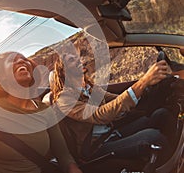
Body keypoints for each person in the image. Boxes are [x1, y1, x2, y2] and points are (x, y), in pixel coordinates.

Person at [47, 52, 178, 171]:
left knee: (160, 115)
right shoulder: (64, 100)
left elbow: (115, 101)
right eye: (71, 60)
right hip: (96, 147)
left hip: (111, 131)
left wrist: (144, 87)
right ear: (63, 72)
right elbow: (100, 115)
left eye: (78, 59)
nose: (79, 61)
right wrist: (142, 83)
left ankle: (178, 153)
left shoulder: (89, 88)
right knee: (152, 137)